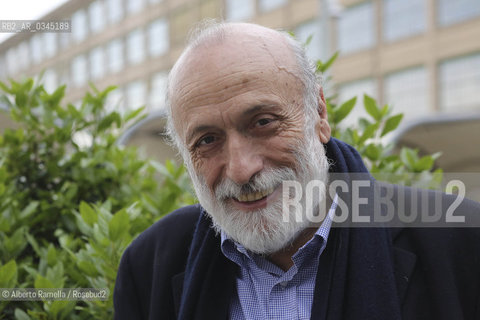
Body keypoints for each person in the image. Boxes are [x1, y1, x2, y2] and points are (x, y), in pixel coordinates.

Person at [113, 21, 480, 320]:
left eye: (263, 122)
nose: (241, 171)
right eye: (207, 140)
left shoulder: (459, 238)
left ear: (319, 115)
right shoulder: (149, 266)